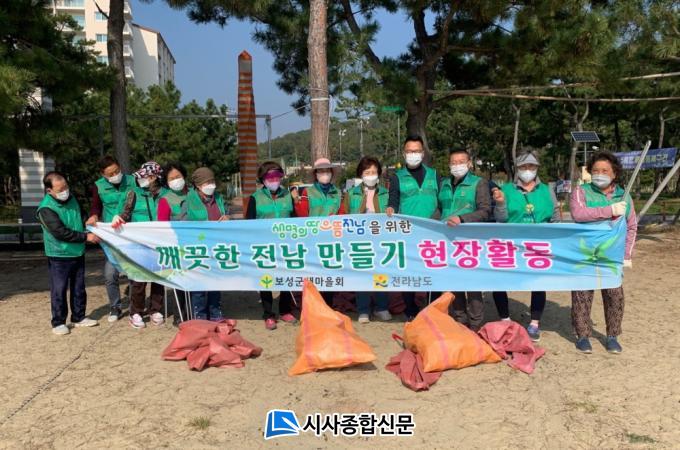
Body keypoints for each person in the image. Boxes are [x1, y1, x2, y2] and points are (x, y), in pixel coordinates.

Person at [569, 151, 636, 354]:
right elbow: (578, 214)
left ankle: (612, 335)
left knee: (615, 295)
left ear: (614, 173)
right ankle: (583, 335)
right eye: (596, 170)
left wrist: (626, 254)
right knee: (582, 294)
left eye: (605, 171)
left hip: (611, 256)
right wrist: (610, 210)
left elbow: (631, 226)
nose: (600, 174)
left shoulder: (624, 195)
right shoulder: (581, 192)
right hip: (584, 253)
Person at [492, 151, 560, 341]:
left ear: (537, 168)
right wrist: (500, 203)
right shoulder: (506, 189)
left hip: (538, 245)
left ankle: (534, 323)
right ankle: (505, 320)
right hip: (511, 244)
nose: (527, 170)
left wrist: (556, 236)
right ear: (517, 168)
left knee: (538, 283)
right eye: (523, 166)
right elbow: (500, 218)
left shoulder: (546, 190)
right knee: (499, 281)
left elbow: (555, 216)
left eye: (531, 166)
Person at [37, 172, 100, 335]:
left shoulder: (72, 198)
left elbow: (80, 215)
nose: (65, 191)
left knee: (79, 287)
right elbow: (60, 232)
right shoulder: (45, 209)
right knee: (59, 289)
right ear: (49, 191)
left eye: (66, 187)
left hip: (77, 252)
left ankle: (79, 317)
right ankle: (58, 322)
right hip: (59, 254)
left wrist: (88, 220)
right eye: (60, 189)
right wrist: (86, 237)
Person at [386, 135, 440, 320]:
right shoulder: (397, 177)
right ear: (404, 154)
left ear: (423, 153)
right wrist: (391, 208)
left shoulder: (434, 175)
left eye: (416, 151)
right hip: (408, 233)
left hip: (433, 231)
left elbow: (442, 201)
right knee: (409, 273)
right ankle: (410, 310)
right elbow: (393, 201)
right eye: (409, 151)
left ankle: (433, 308)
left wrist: (436, 219)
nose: (413, 154)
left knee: (433, 270)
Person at [438, 148, 491, 331]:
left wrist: (462, 219)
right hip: (447, 241)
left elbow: (485, 211)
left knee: (472, 283)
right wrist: (427, 223)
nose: (457, 166)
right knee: (454, 282)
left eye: (461, 162)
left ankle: (476, 324)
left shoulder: (478, 183)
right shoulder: (444, 184)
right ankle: (460, 320)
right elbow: (440, 209)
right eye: (453, 162)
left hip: (469, 242)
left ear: (469, 164)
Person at [112, 161, 168, 329]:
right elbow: (124, 213)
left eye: (148, 177)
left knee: (158, 277)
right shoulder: (133, 193)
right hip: (138, 244)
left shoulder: (165, 194)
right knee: (138, 279)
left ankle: (155, 309)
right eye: (142, 176)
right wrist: (118, 217)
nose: (143, 179)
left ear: (156, 177)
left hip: (159, 242)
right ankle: (135, 312)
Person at [246, 161, 298, 330]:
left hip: (286, 245)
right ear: (263, 179)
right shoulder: (255, 198)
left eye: (277, 176)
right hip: (264, 246)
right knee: (266, 279)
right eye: (270, 177)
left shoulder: (287, 195)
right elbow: (249, 223)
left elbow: (296, 219)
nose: (274, 180)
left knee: (286, 278)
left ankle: (285, 310)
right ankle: (268, 314)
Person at [342, 156, 392, 324]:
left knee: (381, 272)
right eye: (367, 172)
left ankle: (381, 307)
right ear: (361, 174)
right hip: (359, 240)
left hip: (381, 239)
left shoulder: (385, 192)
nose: (371, 175)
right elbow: (345, 215)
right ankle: (363, 310)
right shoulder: (351, 193)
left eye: (374, 172)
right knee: (361, 273)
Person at [86, 155, 135, 322]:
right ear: (103, 174)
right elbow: (96, 206)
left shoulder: (132, 181)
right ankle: (115, 307)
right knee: (110, 274)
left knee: (134, 271)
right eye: (111, 174)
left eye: (117, 171)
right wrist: (94, 216)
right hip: (111, 235)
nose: (115, 175)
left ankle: (136, 305)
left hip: (131, 233)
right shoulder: (99, 186)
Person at [292, 157, 344, 308]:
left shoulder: (337, 192)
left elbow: (342, 212)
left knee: (329, 273)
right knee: (313, 274)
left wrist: (337, 220)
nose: (324, 174)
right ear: (315, 174)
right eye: (321, 171)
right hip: (312, 240)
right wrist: (296, 202)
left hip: (331, 240)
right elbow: (302, 215)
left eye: (327, 171)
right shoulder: (308, 192)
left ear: (332, 173)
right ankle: (313, 306)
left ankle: (328, 306)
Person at [183, 167, 229, 321]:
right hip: (197, 247)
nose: (211, 185)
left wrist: (227, 218)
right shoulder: (189, 199)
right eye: (207, 182)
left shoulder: (218, 198)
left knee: (215, 281)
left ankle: (215, 312)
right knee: (199, 283)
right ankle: (200, 315)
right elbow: (181, 222)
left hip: (216, 246)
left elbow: (226, 213)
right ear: (198, 185)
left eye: (212, 181)